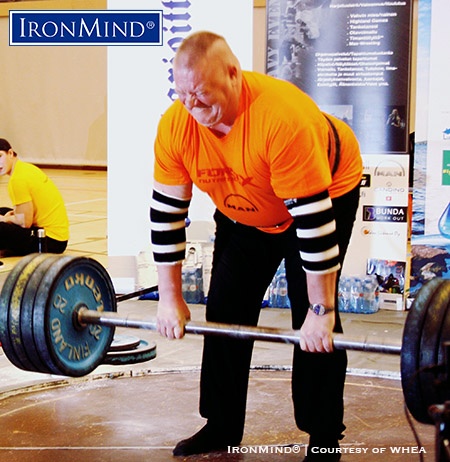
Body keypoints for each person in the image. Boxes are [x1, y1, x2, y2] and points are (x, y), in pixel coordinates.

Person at [150, 31, 362, 462]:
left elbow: (315, 228)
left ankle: (323, 438)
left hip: (323, 194)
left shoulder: (281, 118)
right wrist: (170, 298)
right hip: (246, 209)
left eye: (202, 95)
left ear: (234, 75)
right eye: (183, 95)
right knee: (226, 308)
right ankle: (222, 426)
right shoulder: (177, 124)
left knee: (314, 324)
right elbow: (166, 215)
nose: (192, 106)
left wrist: (322, 313)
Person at [0, 138, 69, 256]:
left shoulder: (18, 179)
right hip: (57, 238)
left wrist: (6, 219)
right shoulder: (25, 168)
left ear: (10, 153)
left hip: (49, 241)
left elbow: (24, 223)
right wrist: (10, 215)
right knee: (2, 211)